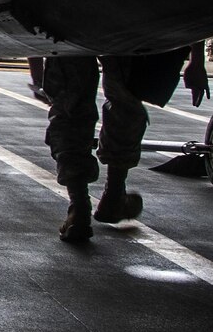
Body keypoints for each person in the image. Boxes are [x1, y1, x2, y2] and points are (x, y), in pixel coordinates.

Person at [43, 48, 198, 241]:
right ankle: (114, 195)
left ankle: (79, 207)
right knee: (125, 101)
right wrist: (197, 60)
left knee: (70, 106)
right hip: (124, 27)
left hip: (67, 25)